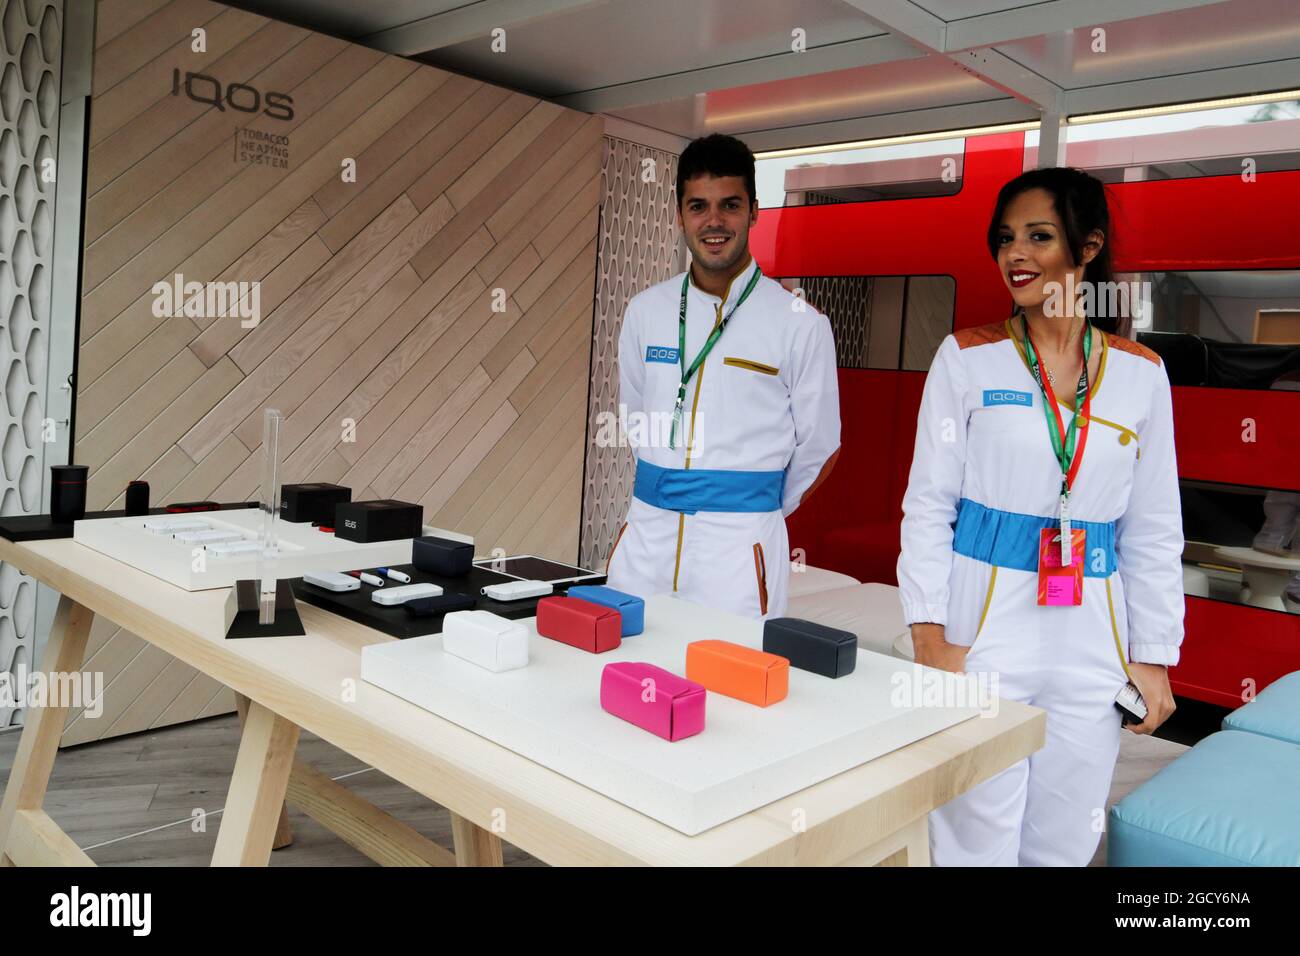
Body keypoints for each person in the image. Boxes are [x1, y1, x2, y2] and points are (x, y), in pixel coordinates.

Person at [897, 167, 1184, 866]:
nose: (1014, 255)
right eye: (1005, 239)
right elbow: (929, 504)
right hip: (984, 619)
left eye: (1038, 236)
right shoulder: (967, 358)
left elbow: (1152, 527)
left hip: (1092, 631)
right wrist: (930, 638)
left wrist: (1153, 654)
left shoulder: (1142, 373)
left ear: (1087, 249)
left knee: (1065, 835)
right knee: (974, 831)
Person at [606, 134, 840, 619]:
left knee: (729, 686)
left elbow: (820, 446)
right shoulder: (645, 311)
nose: (713, 222)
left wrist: (753, 505)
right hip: (646, 539)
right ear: (679, 215)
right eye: (699, 206)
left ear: (755, 211)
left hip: (738, 552)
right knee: (628, 673)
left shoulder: (800, 323)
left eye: (730, 205)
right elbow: (635, 416)